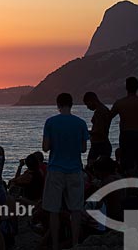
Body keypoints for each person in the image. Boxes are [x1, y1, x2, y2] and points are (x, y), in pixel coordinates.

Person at [42, 93, 89, 250]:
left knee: (53, 210)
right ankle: (75, 243)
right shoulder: (81, 123)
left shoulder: (50, 122)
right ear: (71, 104)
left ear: (58, 105)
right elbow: (83, 149)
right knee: (75, 209)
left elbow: (45, 147)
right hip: (75, 169)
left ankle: (55, 245)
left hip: (56, 169)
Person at [83, 92, 112, 165]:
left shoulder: (100, 111)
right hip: (102, 144)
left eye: (87, 104)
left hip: (99, 145)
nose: (87, 107)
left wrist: (86, 132)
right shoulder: (104, 109)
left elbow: (99, 131)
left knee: (91, 168)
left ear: (92, 100)